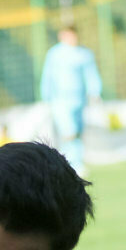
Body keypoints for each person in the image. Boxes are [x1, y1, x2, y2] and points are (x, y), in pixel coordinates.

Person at [40, 25, 102, 176]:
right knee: (69, 131)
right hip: (60, 99)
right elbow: (48, 75)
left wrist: (95, 92)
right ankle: (70, 164)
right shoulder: (54, 54)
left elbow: (91, 74)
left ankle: (76, 162)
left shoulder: (84, 54)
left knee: (77, 131)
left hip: (79, 99)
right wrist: (45, 95)